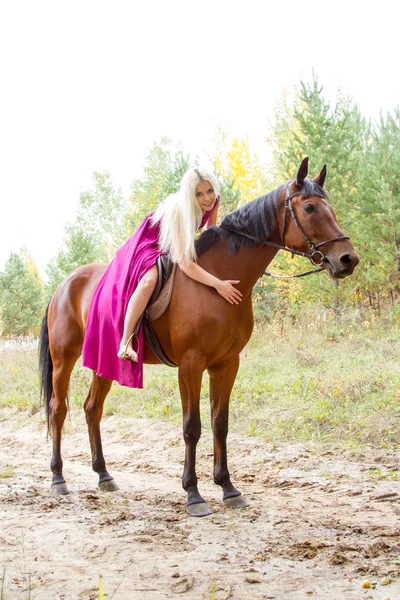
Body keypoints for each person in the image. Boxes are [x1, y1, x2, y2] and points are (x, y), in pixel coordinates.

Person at [82, 167, 242, 388]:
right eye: (198, 194)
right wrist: (217, 284)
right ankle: (126, 341)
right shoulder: (180, 211)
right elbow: (184, 262)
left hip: (173, 241)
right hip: (151, 243)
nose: (206, 198)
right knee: (149, 281)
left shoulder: (213, 200)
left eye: (209, 191)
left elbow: (210, 229)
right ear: (190, 195)